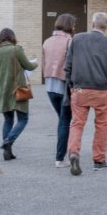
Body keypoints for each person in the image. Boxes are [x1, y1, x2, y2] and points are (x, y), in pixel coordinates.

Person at [65, 11, 107, 175]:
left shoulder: (77, 39)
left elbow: (68, 65)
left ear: (92, 24)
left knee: (77, 124)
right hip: (101, 90)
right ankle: (99, 160)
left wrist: (72, 85)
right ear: (106, 26)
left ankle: (74, 153)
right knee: (102, 126)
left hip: (80, 88)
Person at [0, 28, 37, 159]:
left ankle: (7, 152)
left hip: (2, 90)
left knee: (8, 119)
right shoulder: (17, 49)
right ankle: (8, 141)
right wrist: (36, 63)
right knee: (23, 119)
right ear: (12, 37)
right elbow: (29, 66)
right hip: (17, 89)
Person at [41, 13, 75, 168]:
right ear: (69, 25)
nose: (74, 27)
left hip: (49, 86)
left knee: (63, 120)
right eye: (73, 24)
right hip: (64, 86)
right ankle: (60, 158)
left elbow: (43, 63)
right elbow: (72, 65)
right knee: (64, 122)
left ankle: (62, 155)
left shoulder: (47, 41)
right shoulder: (70, 41)